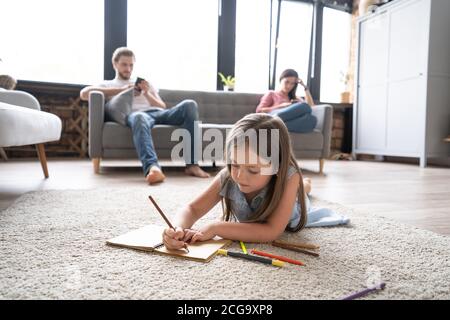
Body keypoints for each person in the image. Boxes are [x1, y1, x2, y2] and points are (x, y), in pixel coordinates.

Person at [162, 113, 314, 250]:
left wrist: (216, 227)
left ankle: (304, 186)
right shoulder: (228, 176)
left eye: (253, 169)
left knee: (301, 192)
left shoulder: (288, 177)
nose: (239, 176)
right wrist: (177, 228)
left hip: (294, 205)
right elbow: (192, 209)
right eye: (235, 164)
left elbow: (271, 230)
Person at [80, 47, 209, 184]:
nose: (128, 69)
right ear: (114, 64)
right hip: (137, 116)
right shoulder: (108, 84)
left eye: (131, 65)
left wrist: (147, 93)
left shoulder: (143, 83)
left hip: (157, 113)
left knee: (190, 104)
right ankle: (153, 168)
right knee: (139, 117)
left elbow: (162, 106)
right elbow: (84, 93)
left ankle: (192, 165)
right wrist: (122, 90)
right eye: (124, 64)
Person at [256, 69, 317, 134]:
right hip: (273, 115)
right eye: (286, 82)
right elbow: (259, 110)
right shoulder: (272, 94)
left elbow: (311, 106)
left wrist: (305, 87)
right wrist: (281, 106)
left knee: (312, 119)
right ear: (280, 80)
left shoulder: (295, 98)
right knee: (304, 106)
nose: (289, 86)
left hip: (286, 121)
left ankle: (275, 126)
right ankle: (273, 121)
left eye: (292, 84)